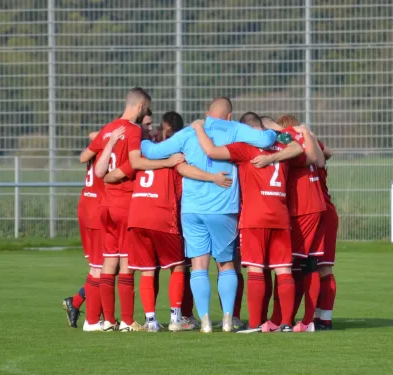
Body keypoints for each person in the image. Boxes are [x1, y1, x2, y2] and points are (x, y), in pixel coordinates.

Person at [139, 97, 277, 333]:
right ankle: (226, 318)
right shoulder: (235, 129)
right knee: (225, 266)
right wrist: (274, 131)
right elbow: (266, 138)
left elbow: (152, 150)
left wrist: (138, 139)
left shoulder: (189, 132)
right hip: (224, 208)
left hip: (192, 209)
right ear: (230, 116)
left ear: (207, 113)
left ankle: (203, 320)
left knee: (199, 265)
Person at [104, 111, 232, 332]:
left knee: (146, 270)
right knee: (178, 267)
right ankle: (176, 318)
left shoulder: (141, 159)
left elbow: (110, 176)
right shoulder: (175, 161)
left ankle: (151, 321)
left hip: (137, 217)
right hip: (163, 217)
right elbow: (181, 190)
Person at [192, 112, 304, 332]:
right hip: (280, 215)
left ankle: (255, 324)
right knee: (283, 270)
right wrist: (275, 148)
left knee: (255, 270)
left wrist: (198, 128)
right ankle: (286, 323)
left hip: (254, 217)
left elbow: (212, 151)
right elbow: (299, 147)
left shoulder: (245, 147)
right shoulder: (281, 143)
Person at [90, 87, 184, 332]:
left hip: (105, 204)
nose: (148, 129)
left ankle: (107, 320)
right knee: (128, 265)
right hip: (125, 204)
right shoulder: (133, 131)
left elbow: (92, 163)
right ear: (142, 107)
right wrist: (166, 162)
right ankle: (128, 320)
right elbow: (135, 162)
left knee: (107, 263)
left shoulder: (109, 128)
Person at [252, 115, 325, 332]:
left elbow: (314, 159)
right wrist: (307, 133)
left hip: (303, 208)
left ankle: (289, 319)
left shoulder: (284, 139)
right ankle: (293, 319)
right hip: (310, 206)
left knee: (289, 265)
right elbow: (323, 157)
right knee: (301, 264)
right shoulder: (300, 136)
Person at [63, 129, 114, 331]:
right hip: (97, 209)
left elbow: (93, 135)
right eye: (145, 124)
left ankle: (78, 304)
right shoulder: (112, 144)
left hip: (88, 204)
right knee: (102, 267)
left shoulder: (102, 141)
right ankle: (92, 319)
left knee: (105, 266)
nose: (148, 128)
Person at [314, 140, 338, 330]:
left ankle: (322, 318)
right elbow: (328, 152)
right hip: (324, 213)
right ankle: (319, 317)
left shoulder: (296, 155)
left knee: (320, 268)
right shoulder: (314, 151)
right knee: (320, 268)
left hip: (317, 215)